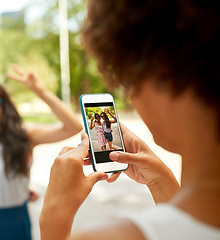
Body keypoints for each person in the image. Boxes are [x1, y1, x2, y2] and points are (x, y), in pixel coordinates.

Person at [40, 0, 220, 239]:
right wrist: (160, 181)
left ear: (161, 71)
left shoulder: (118, 235)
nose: (132, 97)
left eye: (128, 81)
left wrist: (54, 217)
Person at [0, 64, 83, 240]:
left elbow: (73, 127)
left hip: (14, 221)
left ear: (5, 103)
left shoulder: (25, 135)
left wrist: (41, 91)